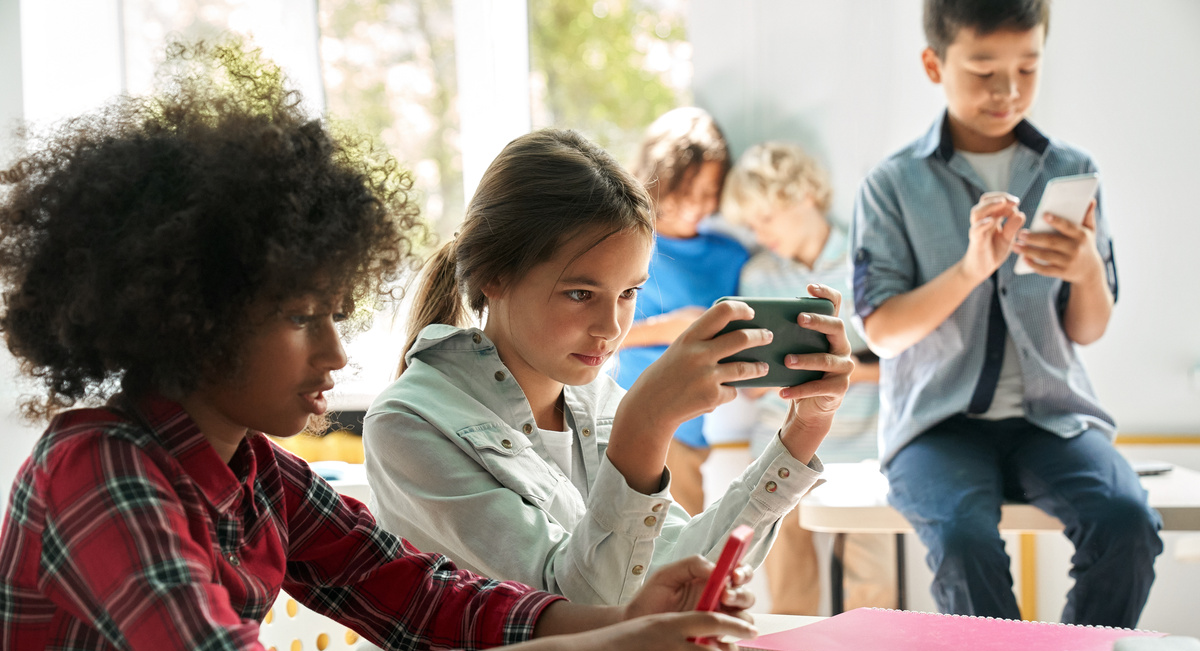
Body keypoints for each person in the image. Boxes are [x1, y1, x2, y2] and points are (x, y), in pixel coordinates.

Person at [0, 41, 763, 651]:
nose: (335, 352)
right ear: (192, 319)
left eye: (335, 313)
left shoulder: (261, 474)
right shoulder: (97, 469)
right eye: (302, 317)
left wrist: (612, 623)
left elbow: (424, 597)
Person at [363, 128, 854, 606]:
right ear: (494, 274)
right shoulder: (409, 426)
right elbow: (584, 612)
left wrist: (804, 430)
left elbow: (679, 572)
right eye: (581, 293)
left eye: (628, 293)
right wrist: (646, 423)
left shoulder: (596, 401)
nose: (610, 328)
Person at [851, 0, 1162, 626]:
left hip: (1053, 416)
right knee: (965, 545)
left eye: (1028, 67)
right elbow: (880, 333)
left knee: (1128, 524)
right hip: (937, 425)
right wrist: (970, 270)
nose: (1009, 90)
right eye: (984, 70)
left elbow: (1086, 329)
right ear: (934, 65)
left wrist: (1085, 272)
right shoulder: (893, 184)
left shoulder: (1071, 171)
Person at [722, 141, 896, 615]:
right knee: (787, 582)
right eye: (751, 223)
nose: (759, 232)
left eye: (766, 218)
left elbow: (901, 360)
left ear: (804, 197)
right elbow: (753, 377)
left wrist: (840, 372)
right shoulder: (758, 275)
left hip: (862, 450)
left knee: (873, 587)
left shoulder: (868, 262)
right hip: (778, 445)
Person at [612, 107, 750, 515]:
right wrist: (672, 328)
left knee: (678, 553)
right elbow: (595, 334)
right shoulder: (627, 242)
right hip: (627, 415)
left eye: (709, 192)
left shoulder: (731, 256)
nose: (697, 205)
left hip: (692, 427)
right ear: (659, 177)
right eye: (687, 191)